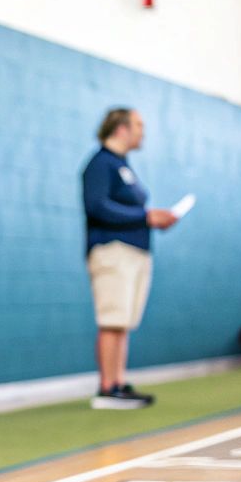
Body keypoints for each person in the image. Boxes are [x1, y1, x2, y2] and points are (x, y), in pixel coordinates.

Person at [82, 108, 176, 409]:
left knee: (124, 321)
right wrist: (146, 216)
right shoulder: (100, 164)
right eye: (138, 125)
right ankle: (107, 388)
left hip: (136, 253)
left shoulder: (124, 166)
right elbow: (98, 207)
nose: (143, 131)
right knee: (112, 319)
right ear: (121, 128)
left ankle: (119, 381)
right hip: (112, 252)